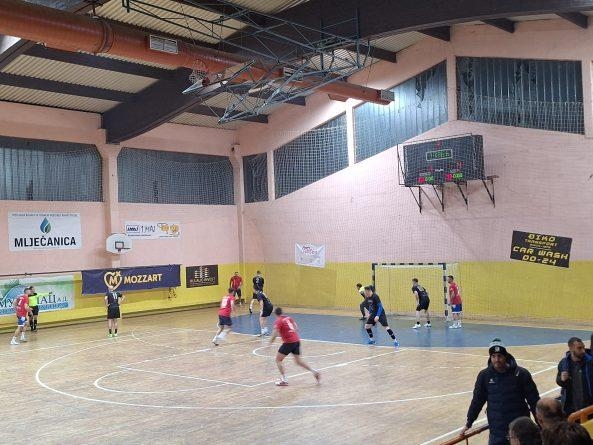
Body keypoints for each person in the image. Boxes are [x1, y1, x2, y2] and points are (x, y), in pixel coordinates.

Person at [460, 338, 540, 445]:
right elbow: (477, 400)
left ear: (505, 356)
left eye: (499, 356)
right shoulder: (484, 376)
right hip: (497, 433)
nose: (496, 359)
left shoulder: (521, 374)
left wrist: (541, 423)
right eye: (493, 356)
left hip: (520, 432)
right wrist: (469, 422)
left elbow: (534, 400)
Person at [268, 307, 320, 386]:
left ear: (275, 314)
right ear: (282, 312)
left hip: (289, 343)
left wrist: (270, 342)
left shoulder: (278, 321)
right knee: (298, 362)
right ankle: (314, 371)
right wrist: (292, 332)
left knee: (278, 360)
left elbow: (275, 334)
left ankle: (284, 380)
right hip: (296, 341)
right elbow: (296, 327)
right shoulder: (288, 318)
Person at [556, 337, 593, 416]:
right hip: (572, 408)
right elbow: (559, 381)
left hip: (590, 406)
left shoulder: (590, 361)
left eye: (583, 347)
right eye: (579, 348)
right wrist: (562, 380)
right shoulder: (564, 363)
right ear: (571, 349)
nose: (583, 351)